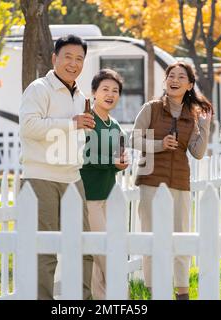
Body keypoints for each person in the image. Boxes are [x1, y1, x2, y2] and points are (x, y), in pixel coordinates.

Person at [19, 34, 95, 300]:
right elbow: (29, 128)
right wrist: (71, 123)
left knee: (83, 248)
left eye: (79, 59)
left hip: (73, 178)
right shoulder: (39, 88)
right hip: (40, 177)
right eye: (68, 57)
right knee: (44, 251)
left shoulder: (81, 94)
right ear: (54, 58)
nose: (73, 64)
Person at [131, 62, 213, 300]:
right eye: (171, 76)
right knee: (151, 238)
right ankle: (154, 291)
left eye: (181, 77)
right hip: (150, 181)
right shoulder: (152, 108)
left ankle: (182, 293)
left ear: (189, 85)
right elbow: (134, 139)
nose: (175, 80)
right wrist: (159, 145)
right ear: (165, 81)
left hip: (179, 182)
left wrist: (205, 126)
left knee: (181, 238)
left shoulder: (192, 115)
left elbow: (197, 153)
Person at [80, 69, 128, 300]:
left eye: (115, 91)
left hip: (109, 196)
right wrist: (113, 163)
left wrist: (121, 164)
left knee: (101, 260)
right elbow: (84, 157)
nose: (110, 94)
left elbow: (120, 156)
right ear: (94, 93)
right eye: (105, 89)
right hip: (89, 198)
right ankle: (123, 299)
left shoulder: (116, 126)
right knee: (105, 253)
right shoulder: (88, 121)